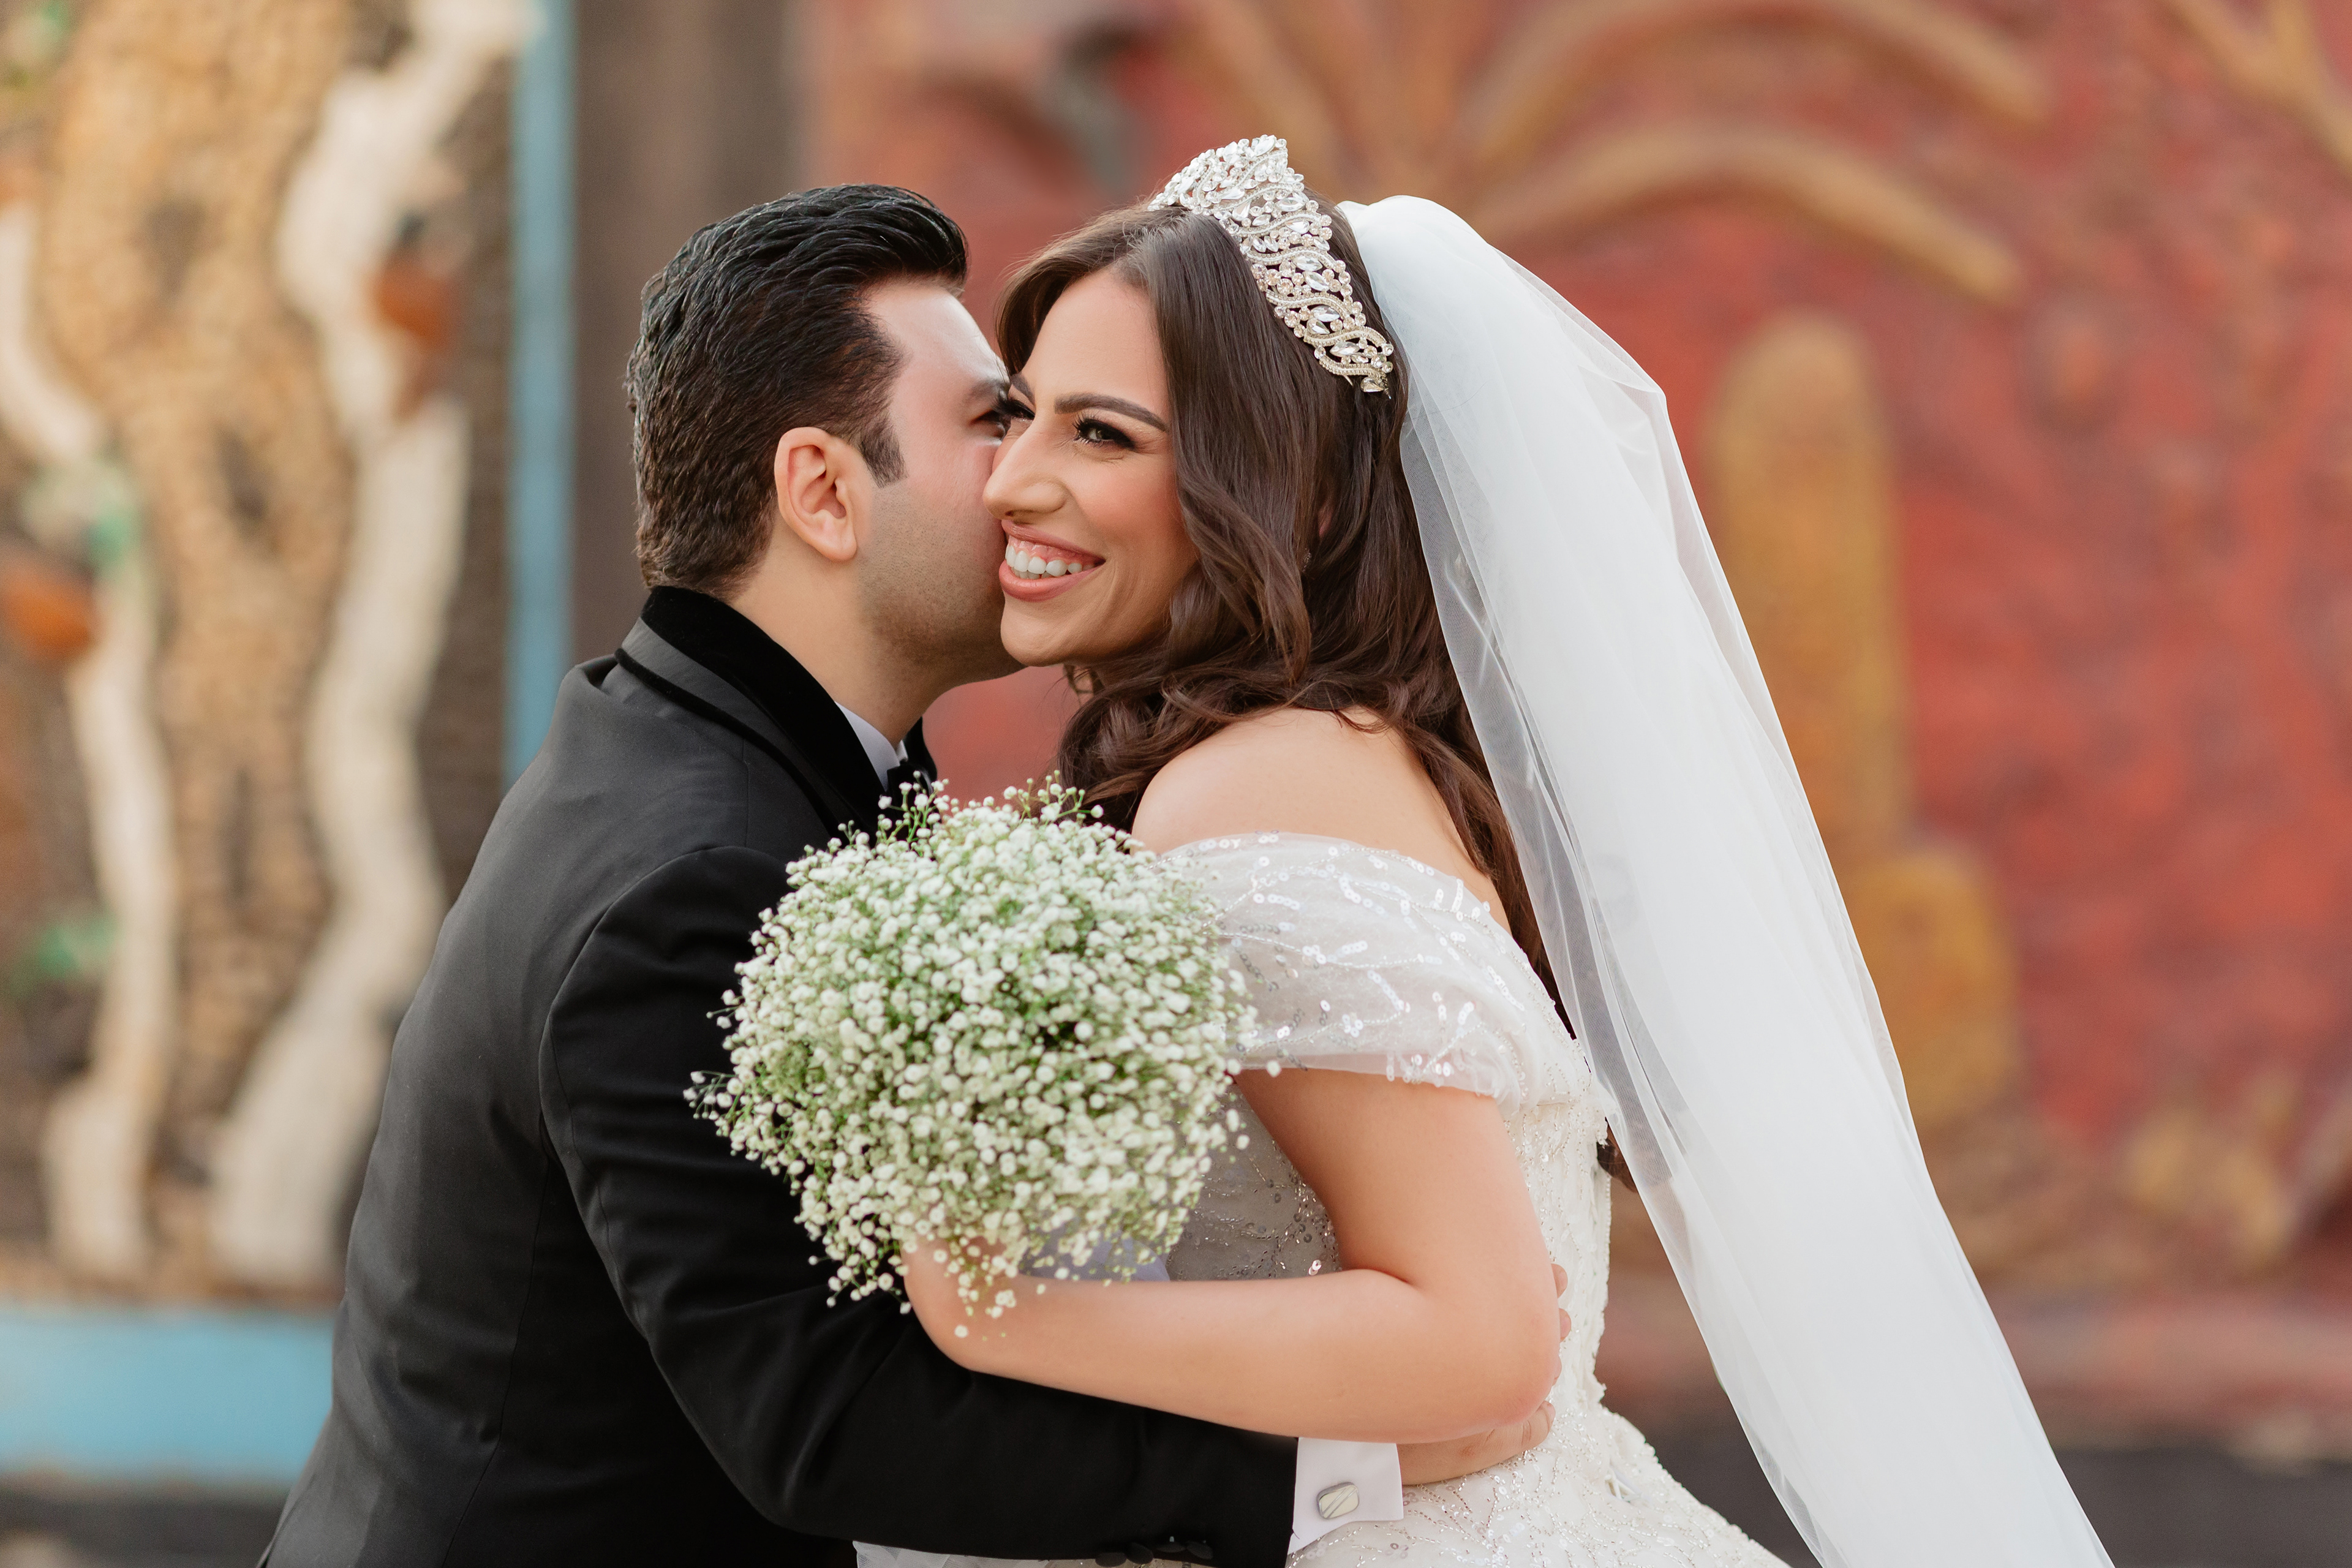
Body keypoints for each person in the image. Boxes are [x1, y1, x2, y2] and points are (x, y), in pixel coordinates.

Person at [262, 185, 1548, 1568]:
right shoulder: (693, 878)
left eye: (1072, 425)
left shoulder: (702, 751)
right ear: (823, 492)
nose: (1016, 479)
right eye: (997, 419)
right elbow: (825, 1417)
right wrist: (1330, 1473)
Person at [878, 140, 2118, 1568]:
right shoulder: (1370, 758)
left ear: (1301, 496)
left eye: (1102, 434)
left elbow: (1477, 1340)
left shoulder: (1256, 787)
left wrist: (998, 1314)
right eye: (1022, 415)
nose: (1015, 481)